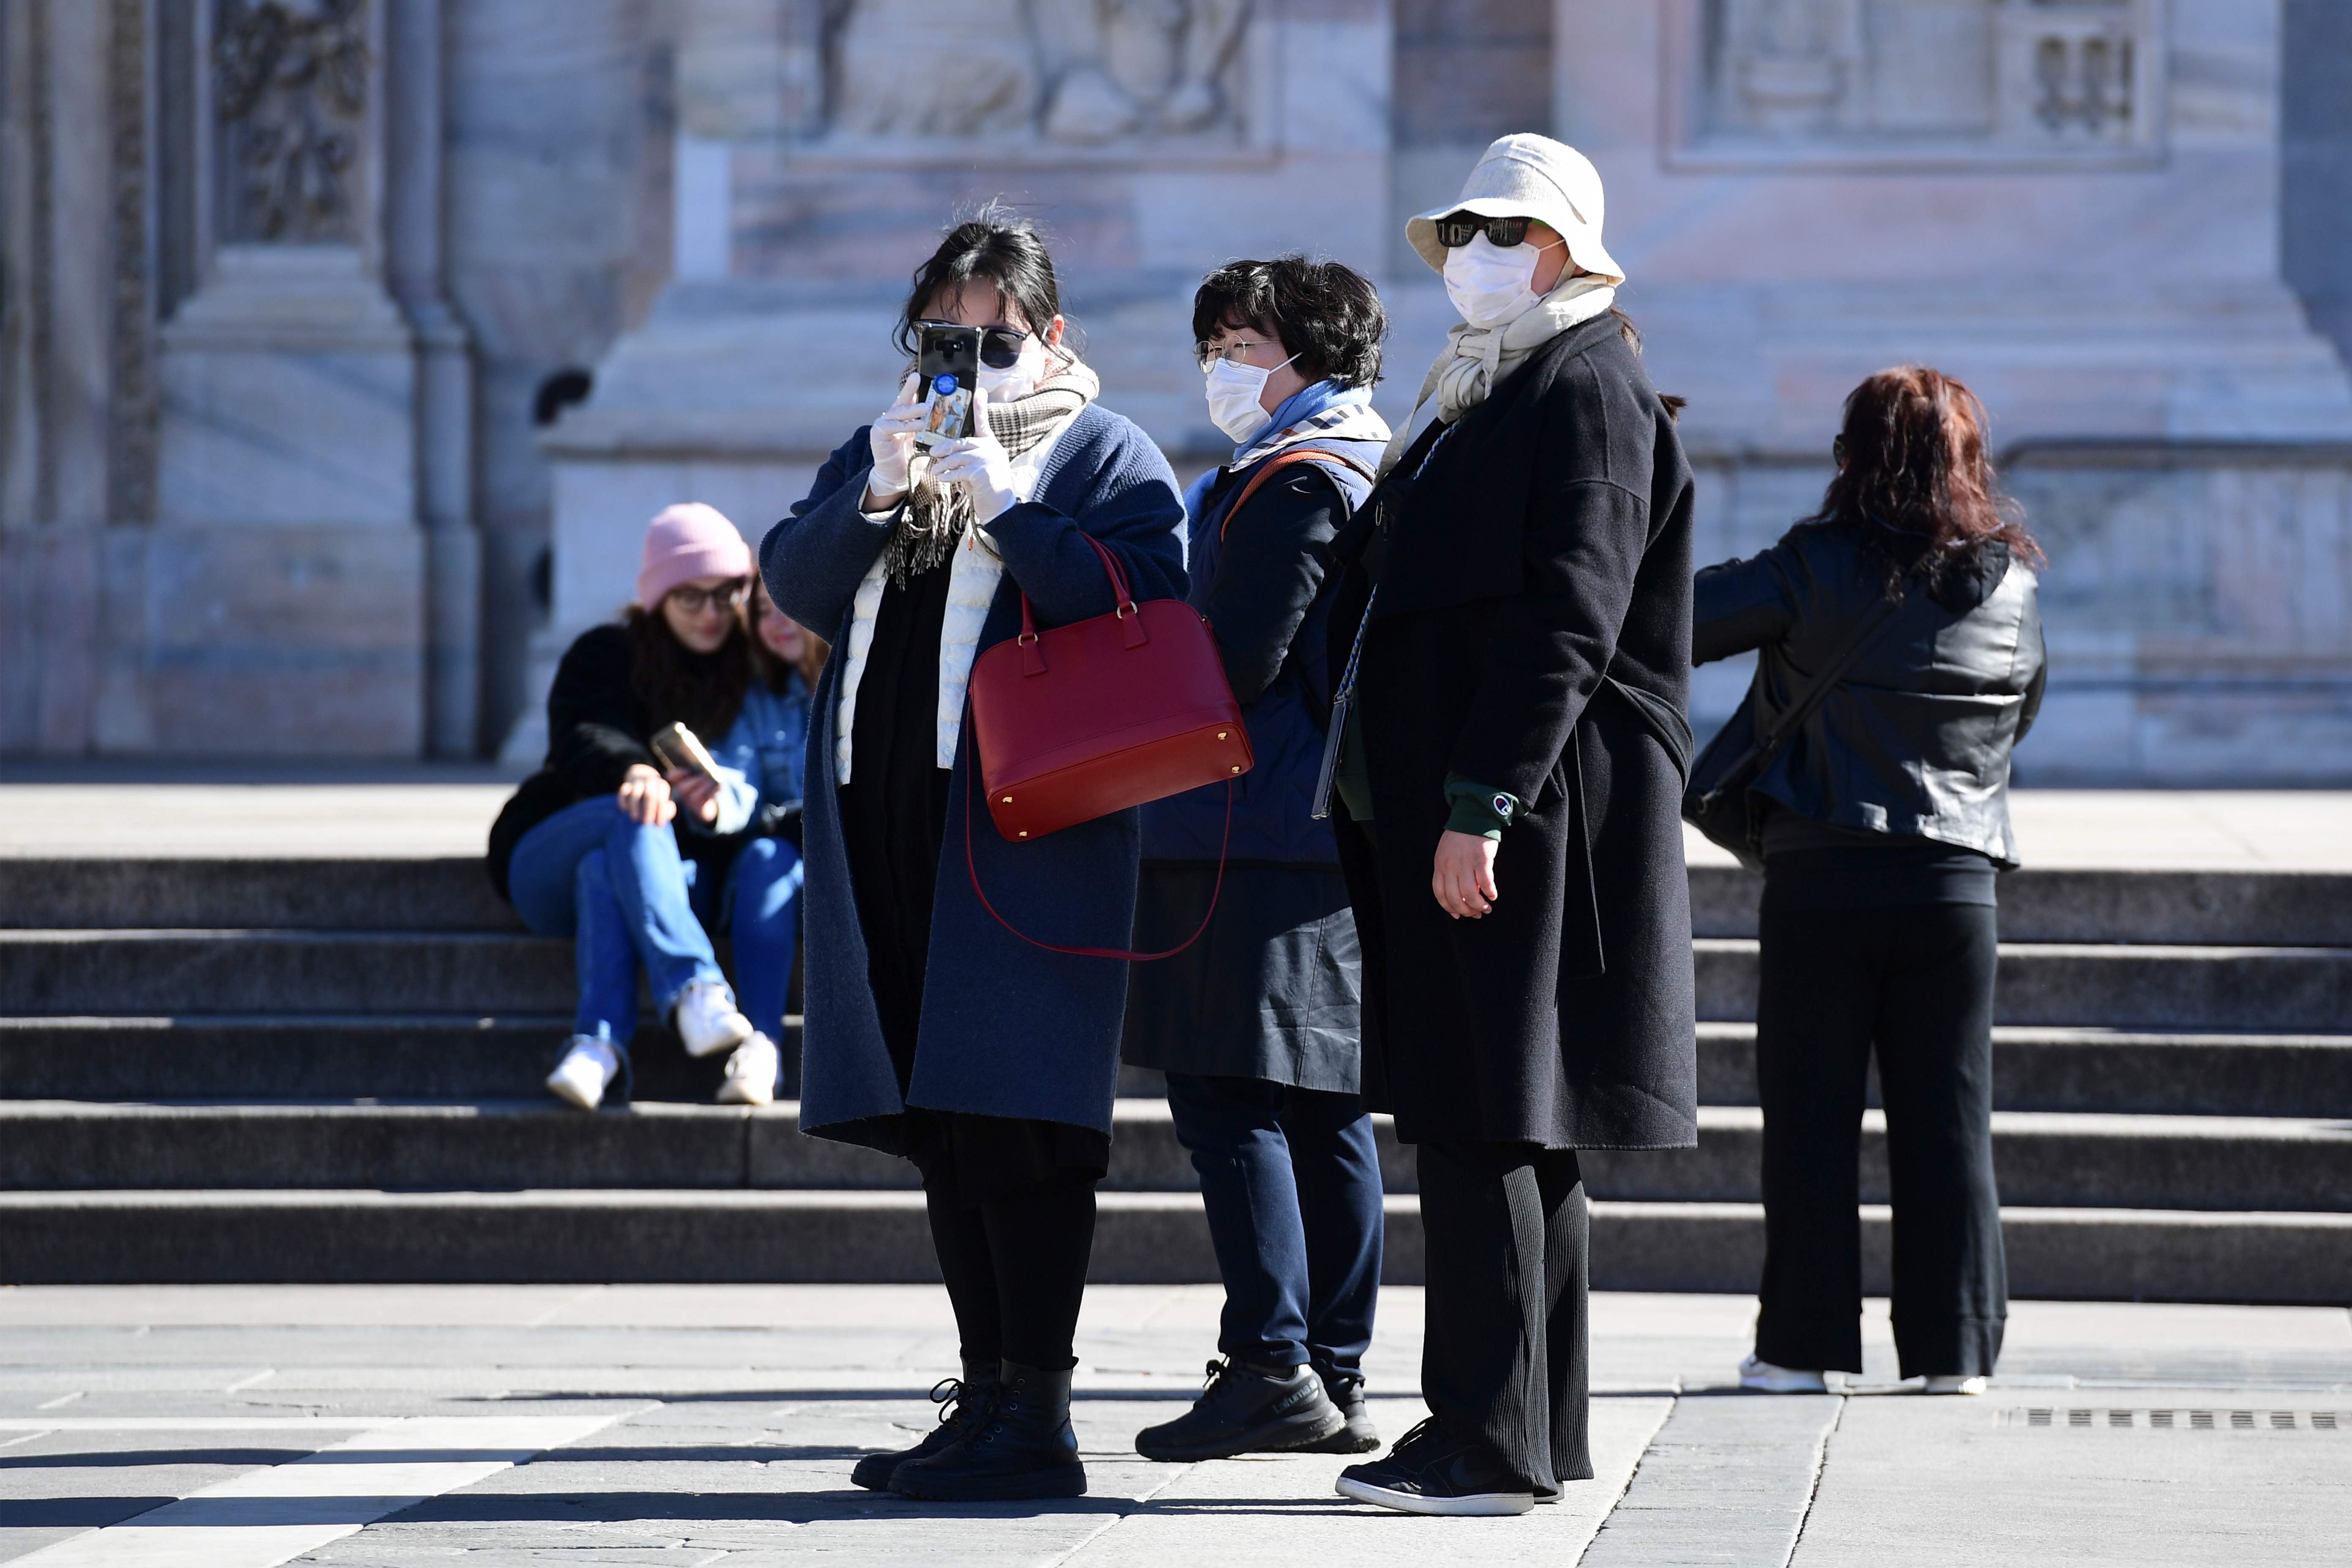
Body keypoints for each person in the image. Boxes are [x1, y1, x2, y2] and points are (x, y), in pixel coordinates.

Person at [761, 210, 1186, 1503]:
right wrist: (872, 490)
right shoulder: (883, 439)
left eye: (996, 337)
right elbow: (789, 581)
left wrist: (1016, 509)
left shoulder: (1102, 450)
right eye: (946, 334)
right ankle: (986, 1387)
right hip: (885, 808)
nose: (969, 362)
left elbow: (1145, 612)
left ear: (1050, 334)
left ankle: (1039, 1408)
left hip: (1021, 820)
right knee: (943, 1110)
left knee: (1025, 1110)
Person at [1323, 134, 1698, 1516]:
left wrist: (1480, 804)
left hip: (1518, 813)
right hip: (1479, 803)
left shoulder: (1581, 385)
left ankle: (1479, 1437)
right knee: (1506, 1119)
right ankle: (1533, 1426)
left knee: (1486, 1117)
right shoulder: (1504, 384)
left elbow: (1568, 621)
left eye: (1505, 230)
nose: (1475, 253)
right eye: (1463, 229)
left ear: (1567, 250)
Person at [1693, 366, 2046, 1398]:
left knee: (1810, 1119)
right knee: (1950, 1122)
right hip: (1955, 882)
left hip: (1820, 876)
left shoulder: (1812, 563)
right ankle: (1955, 1352)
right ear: (1967, 462)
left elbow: (1668, 620)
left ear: (1850, 456)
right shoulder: (2016, 582)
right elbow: (2017, 713)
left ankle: (1800, 1348)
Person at [1123, 257, 1393, 1464]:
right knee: (1325, 1106)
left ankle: (1274, 1363)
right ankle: (1333, 1368)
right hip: (1310, 825)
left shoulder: (1295, 481)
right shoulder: (1348, 462)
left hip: (1252, 823)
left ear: (1312, 354)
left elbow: (1237, 661)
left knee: (1229, 1098)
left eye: (1244, 343)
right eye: (1217, 342)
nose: (1224, 366)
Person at [486, 504, 793, 1111]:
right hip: (550, 851)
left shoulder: (745, 674)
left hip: (647, 873)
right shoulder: (606, 653)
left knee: (609, 867)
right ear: (657, 597)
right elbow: (581, 734)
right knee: (635, 812)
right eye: (690, 598)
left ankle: (596, 1048)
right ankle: (698, 989)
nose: (711, 613)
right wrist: (635, 773)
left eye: (725, 595)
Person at [696, 574, 828, 1096]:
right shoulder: (760, 697)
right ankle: (761, 1046)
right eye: (763, 613)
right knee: (762, 860)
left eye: (785, 606)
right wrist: (712, 800)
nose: (775, 625)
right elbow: (739, 780)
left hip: (857, 858)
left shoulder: (862, 677)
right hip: (787, 859)